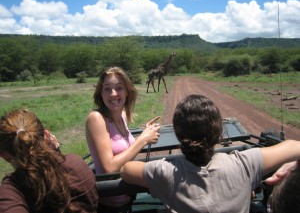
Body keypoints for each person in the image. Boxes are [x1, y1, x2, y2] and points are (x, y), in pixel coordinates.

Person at [121, 94, 300, 213]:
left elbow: (126, 170)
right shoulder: (246, 163)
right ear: (219, 132)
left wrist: (143, 139)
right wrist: (292, 164)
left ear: (178, 134)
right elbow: (294, 146)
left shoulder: (164, 172)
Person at [85, 67, 160, 212]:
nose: (113, 94)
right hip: (110, 203)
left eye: (119, 88)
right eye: (107, 89)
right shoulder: (96, 118)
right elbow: (109, 168)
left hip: (127, 196)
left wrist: (146, 133)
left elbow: (125, 153)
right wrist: (142, 140)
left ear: (127, 92)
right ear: (101, 93)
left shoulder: (122, 115)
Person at [0, 108, 99, 213]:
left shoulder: (11, 192)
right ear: (46, 135)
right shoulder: (76, 164)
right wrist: (55, 152)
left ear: (4, 155)